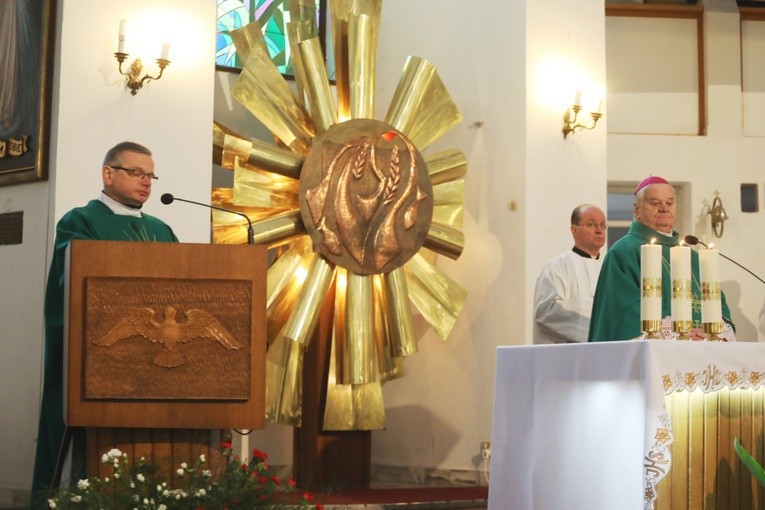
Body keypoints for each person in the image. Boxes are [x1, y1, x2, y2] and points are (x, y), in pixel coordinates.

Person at [31, 142, 178, 504]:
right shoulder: (80, 221)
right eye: (136, 172)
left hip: (155, 360)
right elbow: (73, 283)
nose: (146, 182)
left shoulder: (162, 229)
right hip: (101, 357)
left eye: (150, 175)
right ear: (108, 173)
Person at [588, 175, 735, 342]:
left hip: (701, 351)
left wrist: (712, 333)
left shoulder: (694, 257)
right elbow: (623, 311)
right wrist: (679, 333)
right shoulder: (623, 252)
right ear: (637, 210)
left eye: (670, 203)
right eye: (655, 203)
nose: (664, 208)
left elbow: (717, 304)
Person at [533, 204, 606, 344]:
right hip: (566, 355)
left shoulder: (608, 268)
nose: (599, 230)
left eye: (603, 225)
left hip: (602, 354)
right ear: (574, 230)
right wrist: (599, 330)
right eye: (591, 224)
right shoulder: (557, 267)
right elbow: (546, 312)